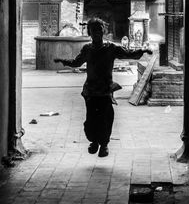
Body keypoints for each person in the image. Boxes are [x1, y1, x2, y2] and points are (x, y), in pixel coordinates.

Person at [54, 18, 152, 157]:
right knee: (91, 119)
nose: (97, 33)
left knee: (106, 119)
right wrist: (63, 61)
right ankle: (94, 141)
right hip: (91, 91)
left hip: (105, 90)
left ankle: (104, 145)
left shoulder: (111, 48)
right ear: (90, 33)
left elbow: (128, 54)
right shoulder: (87, 49)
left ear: (103, 31)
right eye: (94, 31)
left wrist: (142, 50)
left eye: (99, 30)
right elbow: (77, 62)